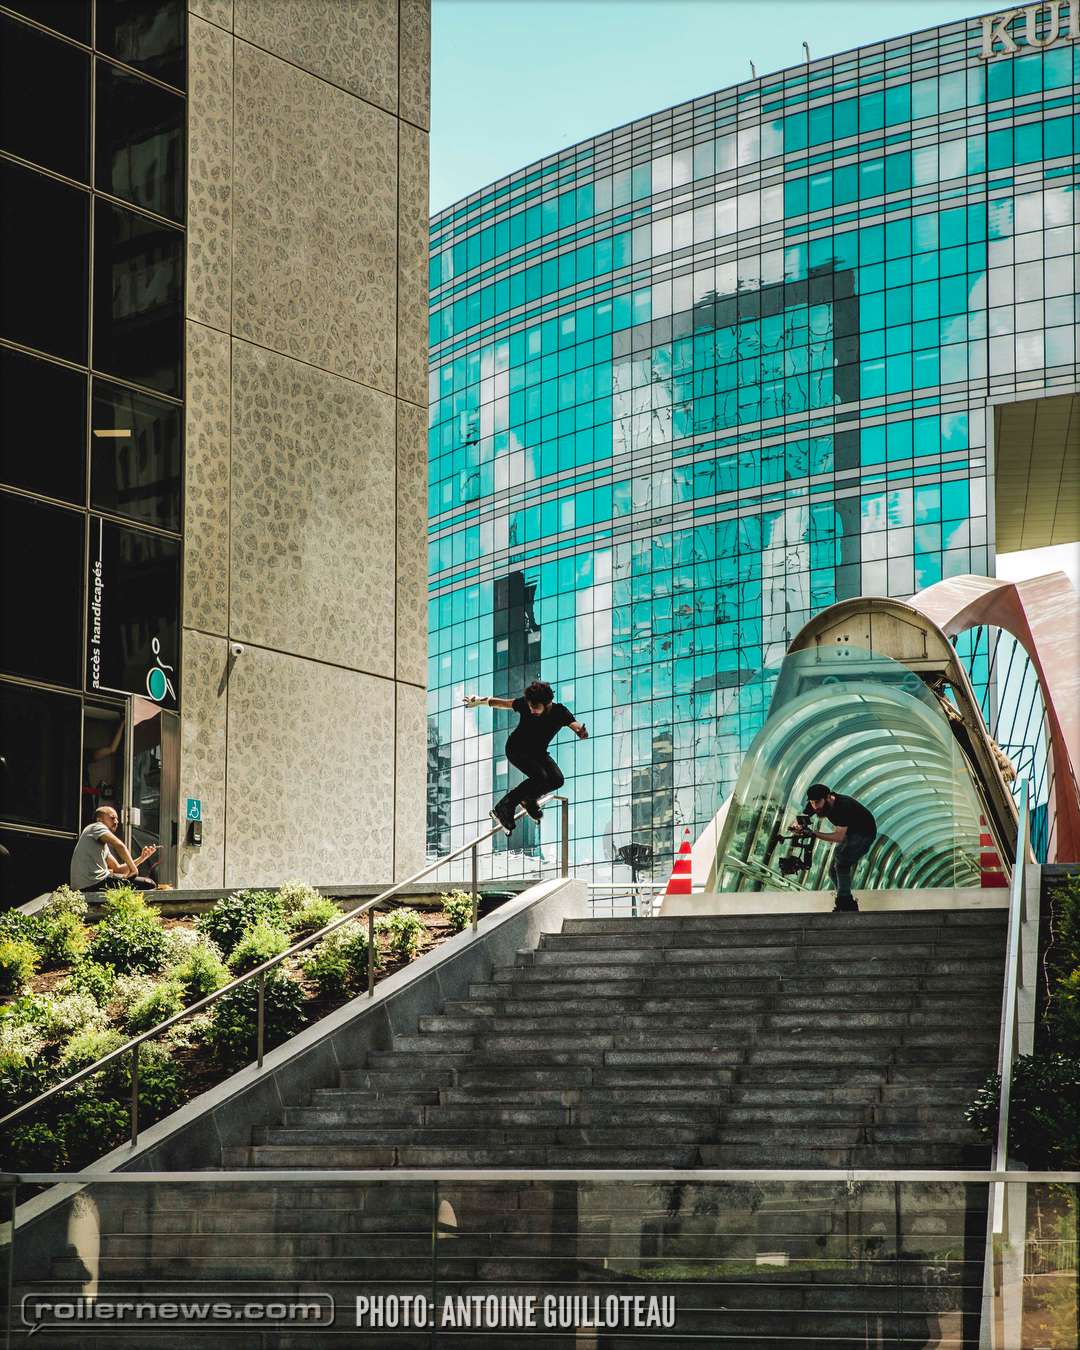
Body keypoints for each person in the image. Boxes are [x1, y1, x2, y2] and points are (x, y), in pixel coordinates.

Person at [463, 680, 588, 835]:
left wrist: (580, 731)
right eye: (530, 706)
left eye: (535, 707)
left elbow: (573, 724)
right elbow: (503, 703)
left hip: (538, 753)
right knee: (540, 776)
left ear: (547, 703)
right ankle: (504, 806)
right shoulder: (524, 704)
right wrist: (480, 701)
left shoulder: (560, 712)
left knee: (557, 779)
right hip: (516, 749)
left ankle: (529, 799)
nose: (532, 709)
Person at [792, 783, 877, 913]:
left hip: (864, 834)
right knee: (832, 871)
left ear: (828, 797)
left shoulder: (843, 806)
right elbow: (800, 819)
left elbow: (838, 837)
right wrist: (796, 827)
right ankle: (847, 901)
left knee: (842, 863)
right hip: (850, 833)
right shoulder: (815, 804)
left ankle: (844, 903)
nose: (815, 807)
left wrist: (813, 833)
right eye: (812, 803)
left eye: (817, 802)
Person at [70, 805, 158, 892]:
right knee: (149, 883)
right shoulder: (96, 826)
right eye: (112, 818)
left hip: (94, 883)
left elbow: (118, 869)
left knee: (138, 883)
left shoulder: (100, 843)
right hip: (93, 883)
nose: (116, 821)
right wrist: (133, 869)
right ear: (99, 820)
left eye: (117, 819)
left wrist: (142, 858)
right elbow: (119, 845)